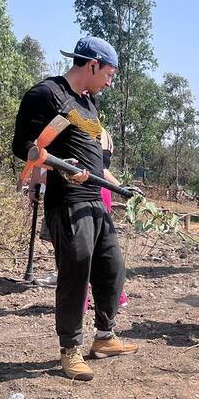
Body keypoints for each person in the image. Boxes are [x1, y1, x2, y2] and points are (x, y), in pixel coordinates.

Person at [12, 36, 137, 381]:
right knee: (76, 274)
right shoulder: (46, 94)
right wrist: (58, 165)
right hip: (67, 202)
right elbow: (24, 146)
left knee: (113, 269)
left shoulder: (88, 102)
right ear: (92, 64)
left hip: (96, 199)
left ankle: (105, 337)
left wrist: (120, 185)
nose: (112, 80)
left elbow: (94, 160)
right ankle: (70, 349)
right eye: (110, 72)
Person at [85, 127, 128, 309]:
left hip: (88, 191)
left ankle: (83, 299)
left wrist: (122, 187)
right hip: (102, 191)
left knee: (86, 249)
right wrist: (121, 187)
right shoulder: (106, 136)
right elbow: (103, 167)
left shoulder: (85, 130)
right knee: (101, 247)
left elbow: (99, 169)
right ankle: (117, 296)